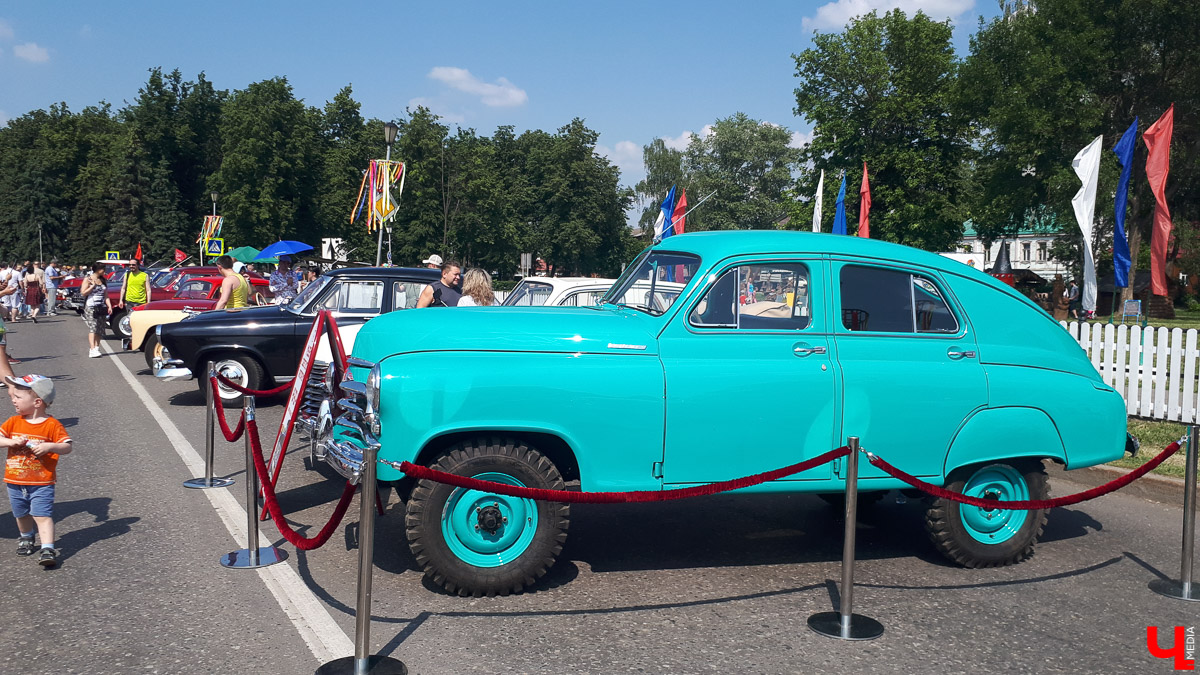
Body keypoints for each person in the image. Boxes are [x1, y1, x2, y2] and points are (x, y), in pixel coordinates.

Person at [1, 374, 73, 567]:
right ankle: (26, 537)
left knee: (42, 515)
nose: (13, 399)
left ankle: (47, 547)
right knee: (21, 514)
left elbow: (67, 446)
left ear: (37, 402)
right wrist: (10, 441)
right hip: (15, 481)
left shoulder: (52, 425)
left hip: (42, 482)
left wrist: (50, 447)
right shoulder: (13, 422)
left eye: (18, 397)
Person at [81, 262, 110, 358]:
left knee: (100, 328)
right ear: (98, 269)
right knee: (93, 327)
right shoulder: (88, 279)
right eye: (103, 269)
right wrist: (92, 286)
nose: (104, 271)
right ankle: (92, 349)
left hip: (101, 306)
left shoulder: (102, 280)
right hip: (91, 307)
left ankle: (97, 347)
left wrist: (109, 306)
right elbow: (83, 293)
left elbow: (106, 295)